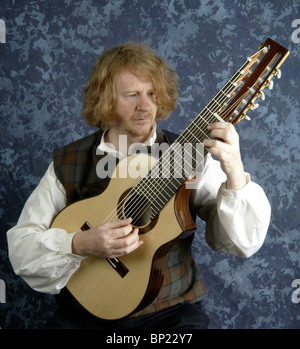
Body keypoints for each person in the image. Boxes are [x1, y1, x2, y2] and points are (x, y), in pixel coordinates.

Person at [7, 42, 271, 329]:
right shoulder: (69, 162)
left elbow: (240, 244)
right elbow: (22, 249)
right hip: (82, 318)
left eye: (151, 94)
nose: (145, 106)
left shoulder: (189, 154)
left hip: (170, 316)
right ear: (105, 99)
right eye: (132, 95)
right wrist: (80, 243)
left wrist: (234, 171)